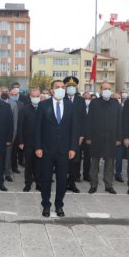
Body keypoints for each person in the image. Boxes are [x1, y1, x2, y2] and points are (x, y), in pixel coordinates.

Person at [35, 80, 79, 218]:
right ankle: (46, 205)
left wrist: (73, 147)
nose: (60, 89)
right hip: (46, 149)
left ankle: (59, 204)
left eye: (62, 87)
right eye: (57, 87)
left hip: (64, 150)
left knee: (62, 179)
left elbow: (74, 129)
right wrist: (38, 147)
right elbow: (37, 128)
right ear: (51, 90)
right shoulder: (43, 105)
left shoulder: (70, 106)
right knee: (46, 178)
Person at [85, 82, 122, 195]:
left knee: (110, 163)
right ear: (100, 90)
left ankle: (108, 185)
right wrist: (88, 136)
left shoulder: (115, 103)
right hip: (96, 137)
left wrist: (118, 138)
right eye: (104, 88)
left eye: (109, 88)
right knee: (94, 163)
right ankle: (93, 184)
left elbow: (119, 121)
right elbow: (89, 120)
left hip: (111, 137)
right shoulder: (94, 103)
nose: (107, 90)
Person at [63, 76, 86, 193]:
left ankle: (72, 182)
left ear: (76, 88)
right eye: (69, 86)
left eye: (73, 86)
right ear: (65, 87)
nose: (71, 88)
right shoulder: (61, 98)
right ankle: (63, 182)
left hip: (77, 135)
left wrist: (82, 135)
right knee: (63, 160)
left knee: (75, 160)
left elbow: (83, 118)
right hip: (63, 135)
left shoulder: (80, 100)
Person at [18, 87, 42, 192]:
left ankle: (39, 183)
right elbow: (20, 126)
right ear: (30, 96)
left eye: (37, 96)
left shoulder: (44, 108)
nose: (35, 98)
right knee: (28, 164)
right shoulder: (24, 109)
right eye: (33, 96)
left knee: (39, 164)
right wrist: (20, 141)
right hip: (28, 142)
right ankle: (28, 183)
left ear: (40, 96)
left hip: (41, 142)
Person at [80, 91, 93, 182]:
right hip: (79, 136)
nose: (87, 100)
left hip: (89, 137)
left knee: (88, 157)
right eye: (85, 98)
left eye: (89, 98)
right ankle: (76, 174)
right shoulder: (78, 107)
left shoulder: (93, 108)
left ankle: (86, 174)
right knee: (77, 157)